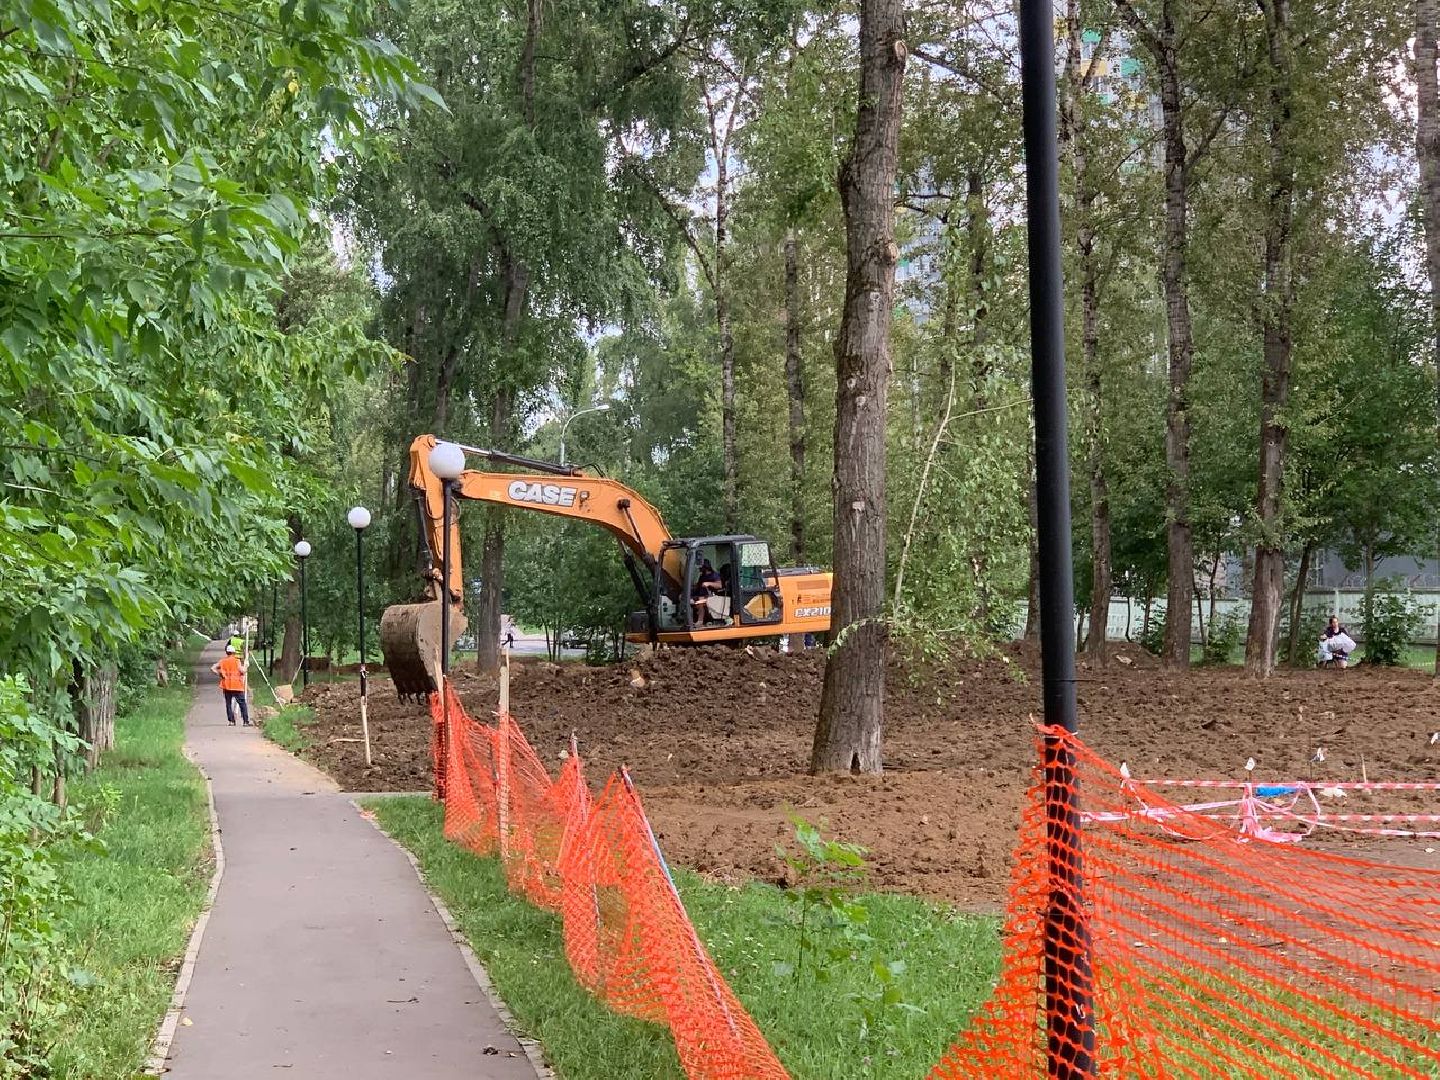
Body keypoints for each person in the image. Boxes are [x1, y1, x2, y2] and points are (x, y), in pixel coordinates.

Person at [211, 644, 251, 726]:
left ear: (227, 652)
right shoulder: (237, 661)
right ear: (234, 652)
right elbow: (242, 671)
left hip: (226, 685)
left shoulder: (222, 661)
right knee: (242, 703)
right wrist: (246, 666)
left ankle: (231, 721)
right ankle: (245, 721)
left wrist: (220, 674)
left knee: (228, 703)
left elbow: (213, 668)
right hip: (237, 685)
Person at [691, 559, 722, 626]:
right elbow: (698, 586)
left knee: (700, 601)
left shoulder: (714, 575)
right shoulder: (702, 576)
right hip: (700, 594)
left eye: (700, 567)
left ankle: (700, 621)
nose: (699, 569)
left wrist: (708, 583)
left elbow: (719, 585)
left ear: (705, 567)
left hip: (710, 596)